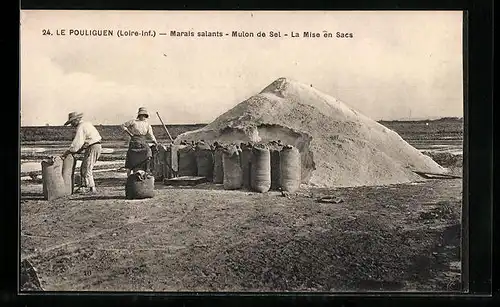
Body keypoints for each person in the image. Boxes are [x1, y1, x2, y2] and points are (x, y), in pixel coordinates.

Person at [61, 112, 102, 194]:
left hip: (93, 147)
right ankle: (85, 187)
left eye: (72, 122)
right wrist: (78, 150)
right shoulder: (86, 124)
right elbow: (83, 143)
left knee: (87, 168)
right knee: (85, 167)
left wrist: (70, 151)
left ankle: (92, 188)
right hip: (94, 146)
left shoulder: (81, 126)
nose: (72, 125)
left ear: (76, 120)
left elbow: (78, 142)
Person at [122, 107, 159, 177]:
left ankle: (146, 171)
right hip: (134, 141)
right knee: (131, 158)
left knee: (148, 153)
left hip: (143, 141)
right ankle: (129, 175)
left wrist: (155, 142)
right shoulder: (133, 121)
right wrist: (129, 133)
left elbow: (151, 135)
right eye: (142, 115)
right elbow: (123, 125)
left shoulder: (147, 125)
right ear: (139, 115)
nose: (143, 117)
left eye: (145, 115)